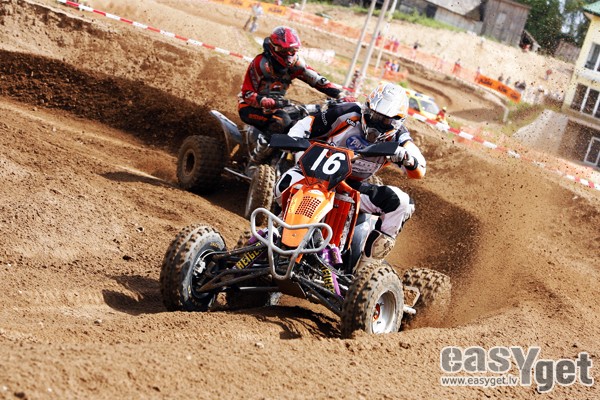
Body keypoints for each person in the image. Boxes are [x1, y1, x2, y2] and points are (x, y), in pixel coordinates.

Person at [274, 83, 426, 268]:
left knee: (402, 203)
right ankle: (279, 230)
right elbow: (309, 123)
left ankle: (367, 268)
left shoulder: (399, 138)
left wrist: (408, 159)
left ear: (397, 122)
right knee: (284, 184)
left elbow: (419, 169)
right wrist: (295, 139)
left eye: (385, 121)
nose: (377, 124)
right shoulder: (347, 112)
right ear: (366, 109)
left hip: (351, 186)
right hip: (316, 176)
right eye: (374, 116)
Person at [238, 26, 353, 174]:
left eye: (293, 51)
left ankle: (290, 165)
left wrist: (340, 95)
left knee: (304, 123)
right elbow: (247, 93)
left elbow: (318, 80)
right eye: (286, 51)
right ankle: (253, 162)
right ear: (275, 49)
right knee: (281, 121)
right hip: (249, 108)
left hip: (277, 107)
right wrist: (263, 101)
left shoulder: (296, 64)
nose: (289, 55)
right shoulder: (261, 64)